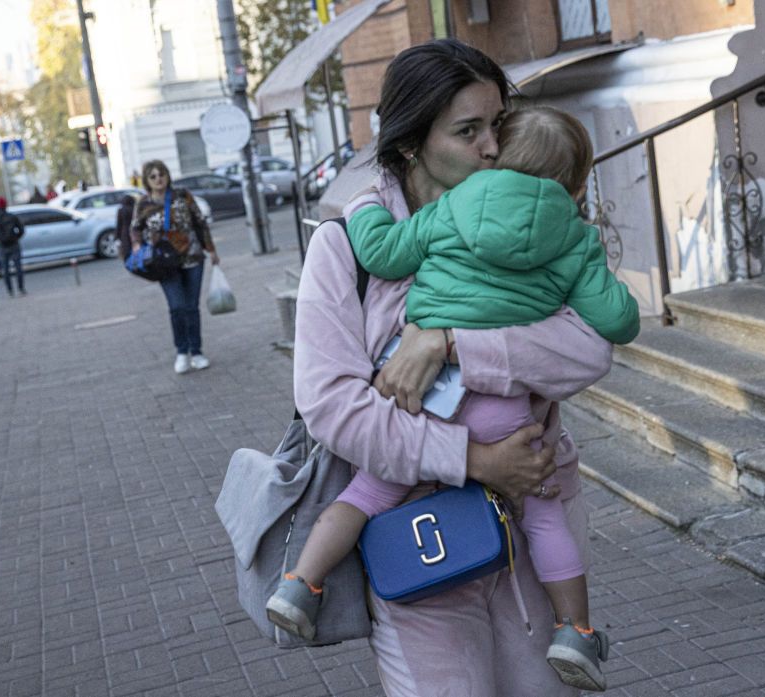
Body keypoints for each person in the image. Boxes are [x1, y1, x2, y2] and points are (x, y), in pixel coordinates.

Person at [270, 105, 638, 691]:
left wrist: (448, 339)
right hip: (489, 446)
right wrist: (478, 460)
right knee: (544, 519)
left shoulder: (453, 210)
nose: (488, 145)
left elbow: (383, 251)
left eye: (497, 126)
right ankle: (577, 630)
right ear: (414, 141)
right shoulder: (571, 237)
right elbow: (332, 409)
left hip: (434, 418)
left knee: (363, 494)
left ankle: (300, 583)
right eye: (469, 130)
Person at [130, 160, 220, 374]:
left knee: (191, 307)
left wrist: (211, 249)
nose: (158, 179)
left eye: (161, 174)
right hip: (164, 263)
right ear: (147, 181)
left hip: (192, 257)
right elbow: (135, 228)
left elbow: (200, 222)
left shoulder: (182, 195)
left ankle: (196, 352)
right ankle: (182, 351)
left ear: (168, 176)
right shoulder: (143, 203)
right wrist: (137, 245)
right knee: (177, 307)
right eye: (153, 176)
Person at [0, 197, 26, 297]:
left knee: (5, 269)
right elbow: (21, 230)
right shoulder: (12, 217)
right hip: (14, 245)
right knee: (18, 268)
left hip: (2, 247)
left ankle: (10, 290)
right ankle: (21, 288)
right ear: (5, 205)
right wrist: (16, 238)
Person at [116, 195, 136, 260]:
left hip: (124, 232)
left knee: (126, 251)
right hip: (134, 231)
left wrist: (117, 237)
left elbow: (119, 224)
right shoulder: (134, 209)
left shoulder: (121, 210)